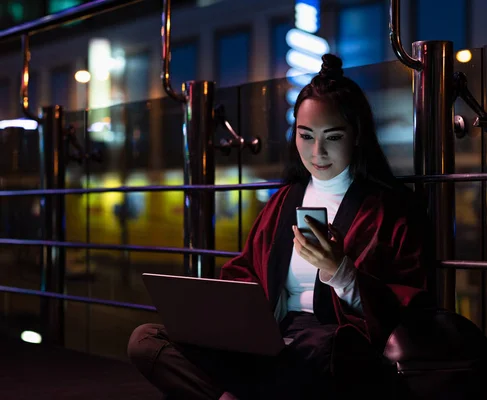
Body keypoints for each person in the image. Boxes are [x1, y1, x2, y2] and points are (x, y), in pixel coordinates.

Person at [128, 54, 431, 400]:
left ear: (357, 135)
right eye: (305, 135)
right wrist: (225, 315)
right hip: (271, 341)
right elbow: (244, 273)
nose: (317, 151)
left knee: (323, 353)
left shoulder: (389, 208)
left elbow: (408, 308)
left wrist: (341, 272)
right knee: (146, 340)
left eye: (332, 137)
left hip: (333, 346)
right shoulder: (284, 201)